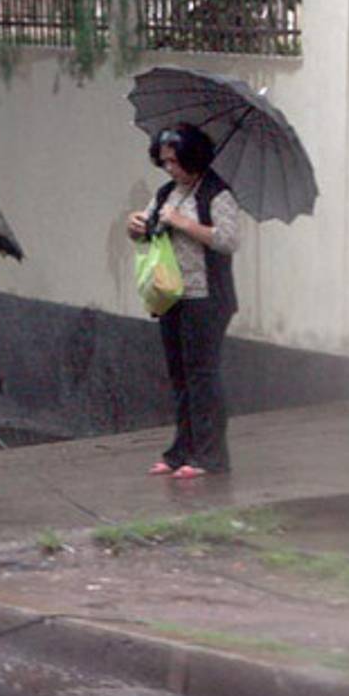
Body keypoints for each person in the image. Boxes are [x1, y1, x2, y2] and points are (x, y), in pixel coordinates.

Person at [127, 123, 241, 480]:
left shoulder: (216, 194)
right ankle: (180, 451)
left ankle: (210, 456)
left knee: (202, 375)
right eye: (164, 163)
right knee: (179, 376)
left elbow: (226, 239)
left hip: (206, 297)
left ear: (193, 158)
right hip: (170, 294)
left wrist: (183, 222)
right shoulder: (166, 193)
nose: (170, 169)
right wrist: (137, 227)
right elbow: (151, 232)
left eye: (175, 162)